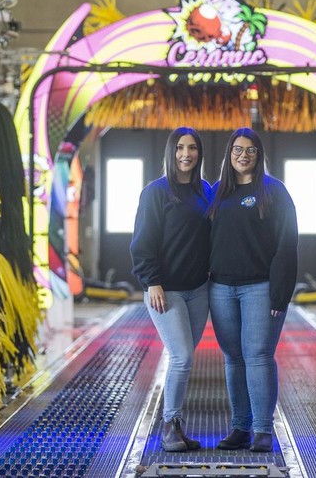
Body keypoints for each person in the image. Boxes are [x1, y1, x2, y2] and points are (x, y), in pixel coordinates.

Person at [207, 127, 298, 453]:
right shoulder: (218, 192)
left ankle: (262, 430)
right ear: (228, 154)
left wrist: (280, 292)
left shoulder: (274, 191)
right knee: (233, 358)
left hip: (260, 287)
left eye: (250, 150)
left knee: (258, 356)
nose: (243, 155)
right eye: (237, 150)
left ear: (259, 156)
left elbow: (287, 245)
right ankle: (240, 428)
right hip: (221, 288)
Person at [130, 127, 211, 452]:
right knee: (181, 356)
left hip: (198, 289)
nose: (186, 154)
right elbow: (142, 242)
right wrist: (152, 281)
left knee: (183, 358)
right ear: (170, 151)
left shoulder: (205, 190)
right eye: (179, 148)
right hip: (166, 290)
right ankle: (169, 426)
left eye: (192, 148)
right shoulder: (156, 192)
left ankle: (176, 424)